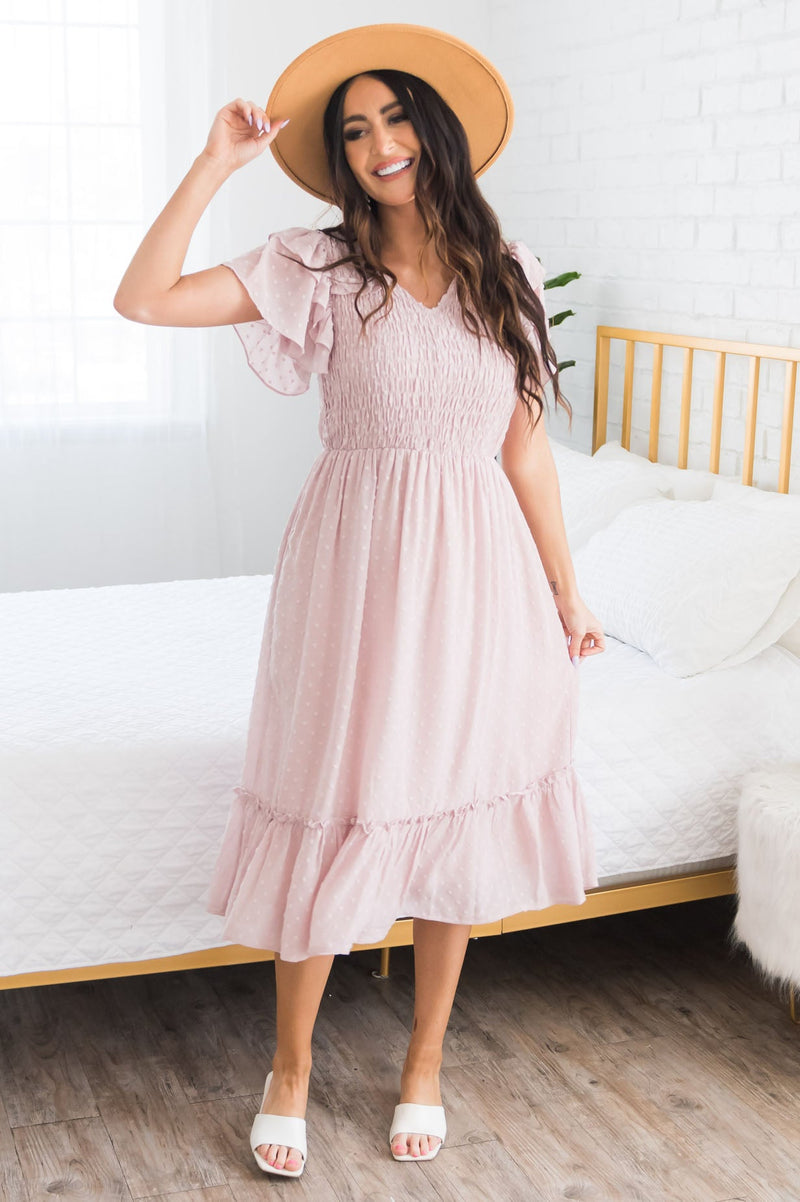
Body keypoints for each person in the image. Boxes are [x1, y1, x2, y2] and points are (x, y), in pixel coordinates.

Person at [114, 21, 605, 1182]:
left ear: (434, 130)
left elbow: (521, 450)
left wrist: (564, 590)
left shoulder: (506, 269)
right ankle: (287, 1066)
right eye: (353, 129)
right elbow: (145, 299)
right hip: (354, 569)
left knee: (455, 803)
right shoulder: (317, 265)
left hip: (478, 576)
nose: (379, 142)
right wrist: (215, 163)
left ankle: (424, 1059)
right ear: (338, 155)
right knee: (332, 793)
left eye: (394, 117)